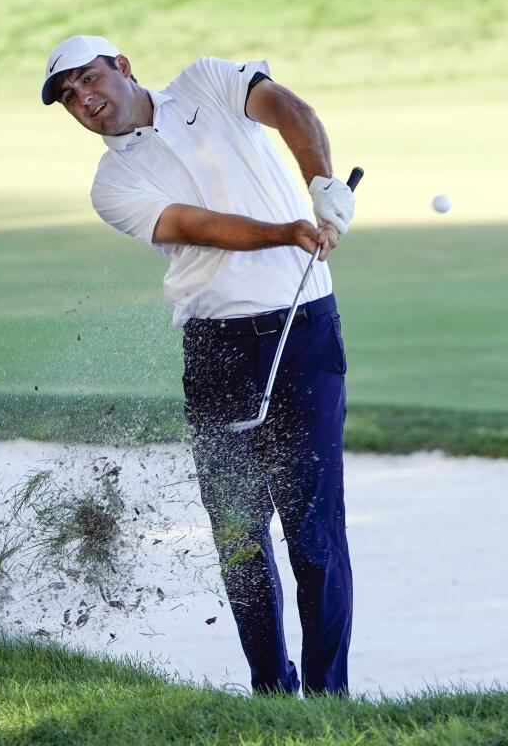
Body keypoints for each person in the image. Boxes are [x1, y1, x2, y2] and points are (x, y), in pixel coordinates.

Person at [41, 35, 355, 696]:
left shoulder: (209, 82)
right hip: (218, 350)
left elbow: (288, 108)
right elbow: (201, 225)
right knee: (241, 539)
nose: (85, 101)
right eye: (69, 97)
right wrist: (287, 231)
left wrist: (321, 184)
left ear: (122, 67)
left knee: (315, 535)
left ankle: (330, 701)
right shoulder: (114, 182)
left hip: (305, 334)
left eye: (90, 80)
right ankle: (273, 691)